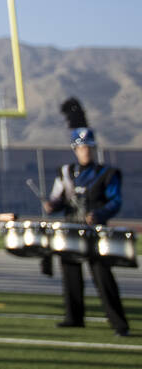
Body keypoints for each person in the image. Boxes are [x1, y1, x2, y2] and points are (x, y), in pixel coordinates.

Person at [42, 108, 130, 337]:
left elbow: (115, 201)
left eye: (89, 147)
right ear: (75, 149)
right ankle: (74, 317)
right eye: (81, 147)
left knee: (103, 276)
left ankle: (119, 323)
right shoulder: (66, 172)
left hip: (97, 232)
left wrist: (99, 215)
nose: (85, 151)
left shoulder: (109, 173)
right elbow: (59, 199)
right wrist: (52, 206)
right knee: (70, 273)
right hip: (71, 230)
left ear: (94, 148)